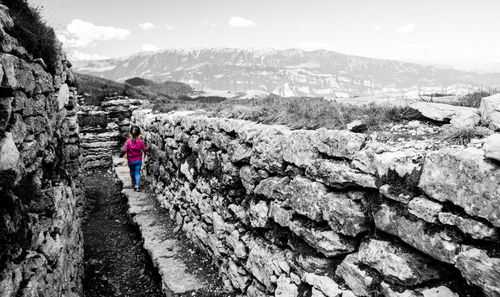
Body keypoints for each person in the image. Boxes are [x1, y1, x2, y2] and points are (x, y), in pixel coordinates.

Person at [120, 126, 149, 191]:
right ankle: (137, 186)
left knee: (132, 172)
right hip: (138, 160)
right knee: (137, 172)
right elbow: (144, 149)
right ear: (139, 133)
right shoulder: (141, 141)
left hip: (130, 160)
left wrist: (121, 155)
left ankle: (133, 182)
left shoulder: (128, 141)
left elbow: (124, 150)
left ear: (130, 133)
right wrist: (148, 147)